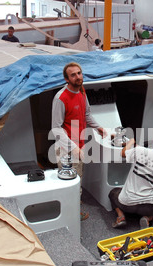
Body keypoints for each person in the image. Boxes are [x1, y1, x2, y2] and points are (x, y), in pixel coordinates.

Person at [51, 62, 107, 220]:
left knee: (78, 178)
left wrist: (98, 127)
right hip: (67, 148)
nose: (78, 77)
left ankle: (74, 206)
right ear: (66, 79)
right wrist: (73, 148)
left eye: (79, 73)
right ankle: (70, 214)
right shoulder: (60, 98)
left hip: (80, 145)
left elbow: (87, 114)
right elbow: (56, 128)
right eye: (73, 75)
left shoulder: (82, 91)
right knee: (70, 182)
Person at [108, 133, 153, 229]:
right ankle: (147, 218)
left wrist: (131, 141)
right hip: (148, 207)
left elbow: (123, 153)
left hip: (128, 203)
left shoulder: (140, 151)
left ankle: (121, 217)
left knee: (113, 193)